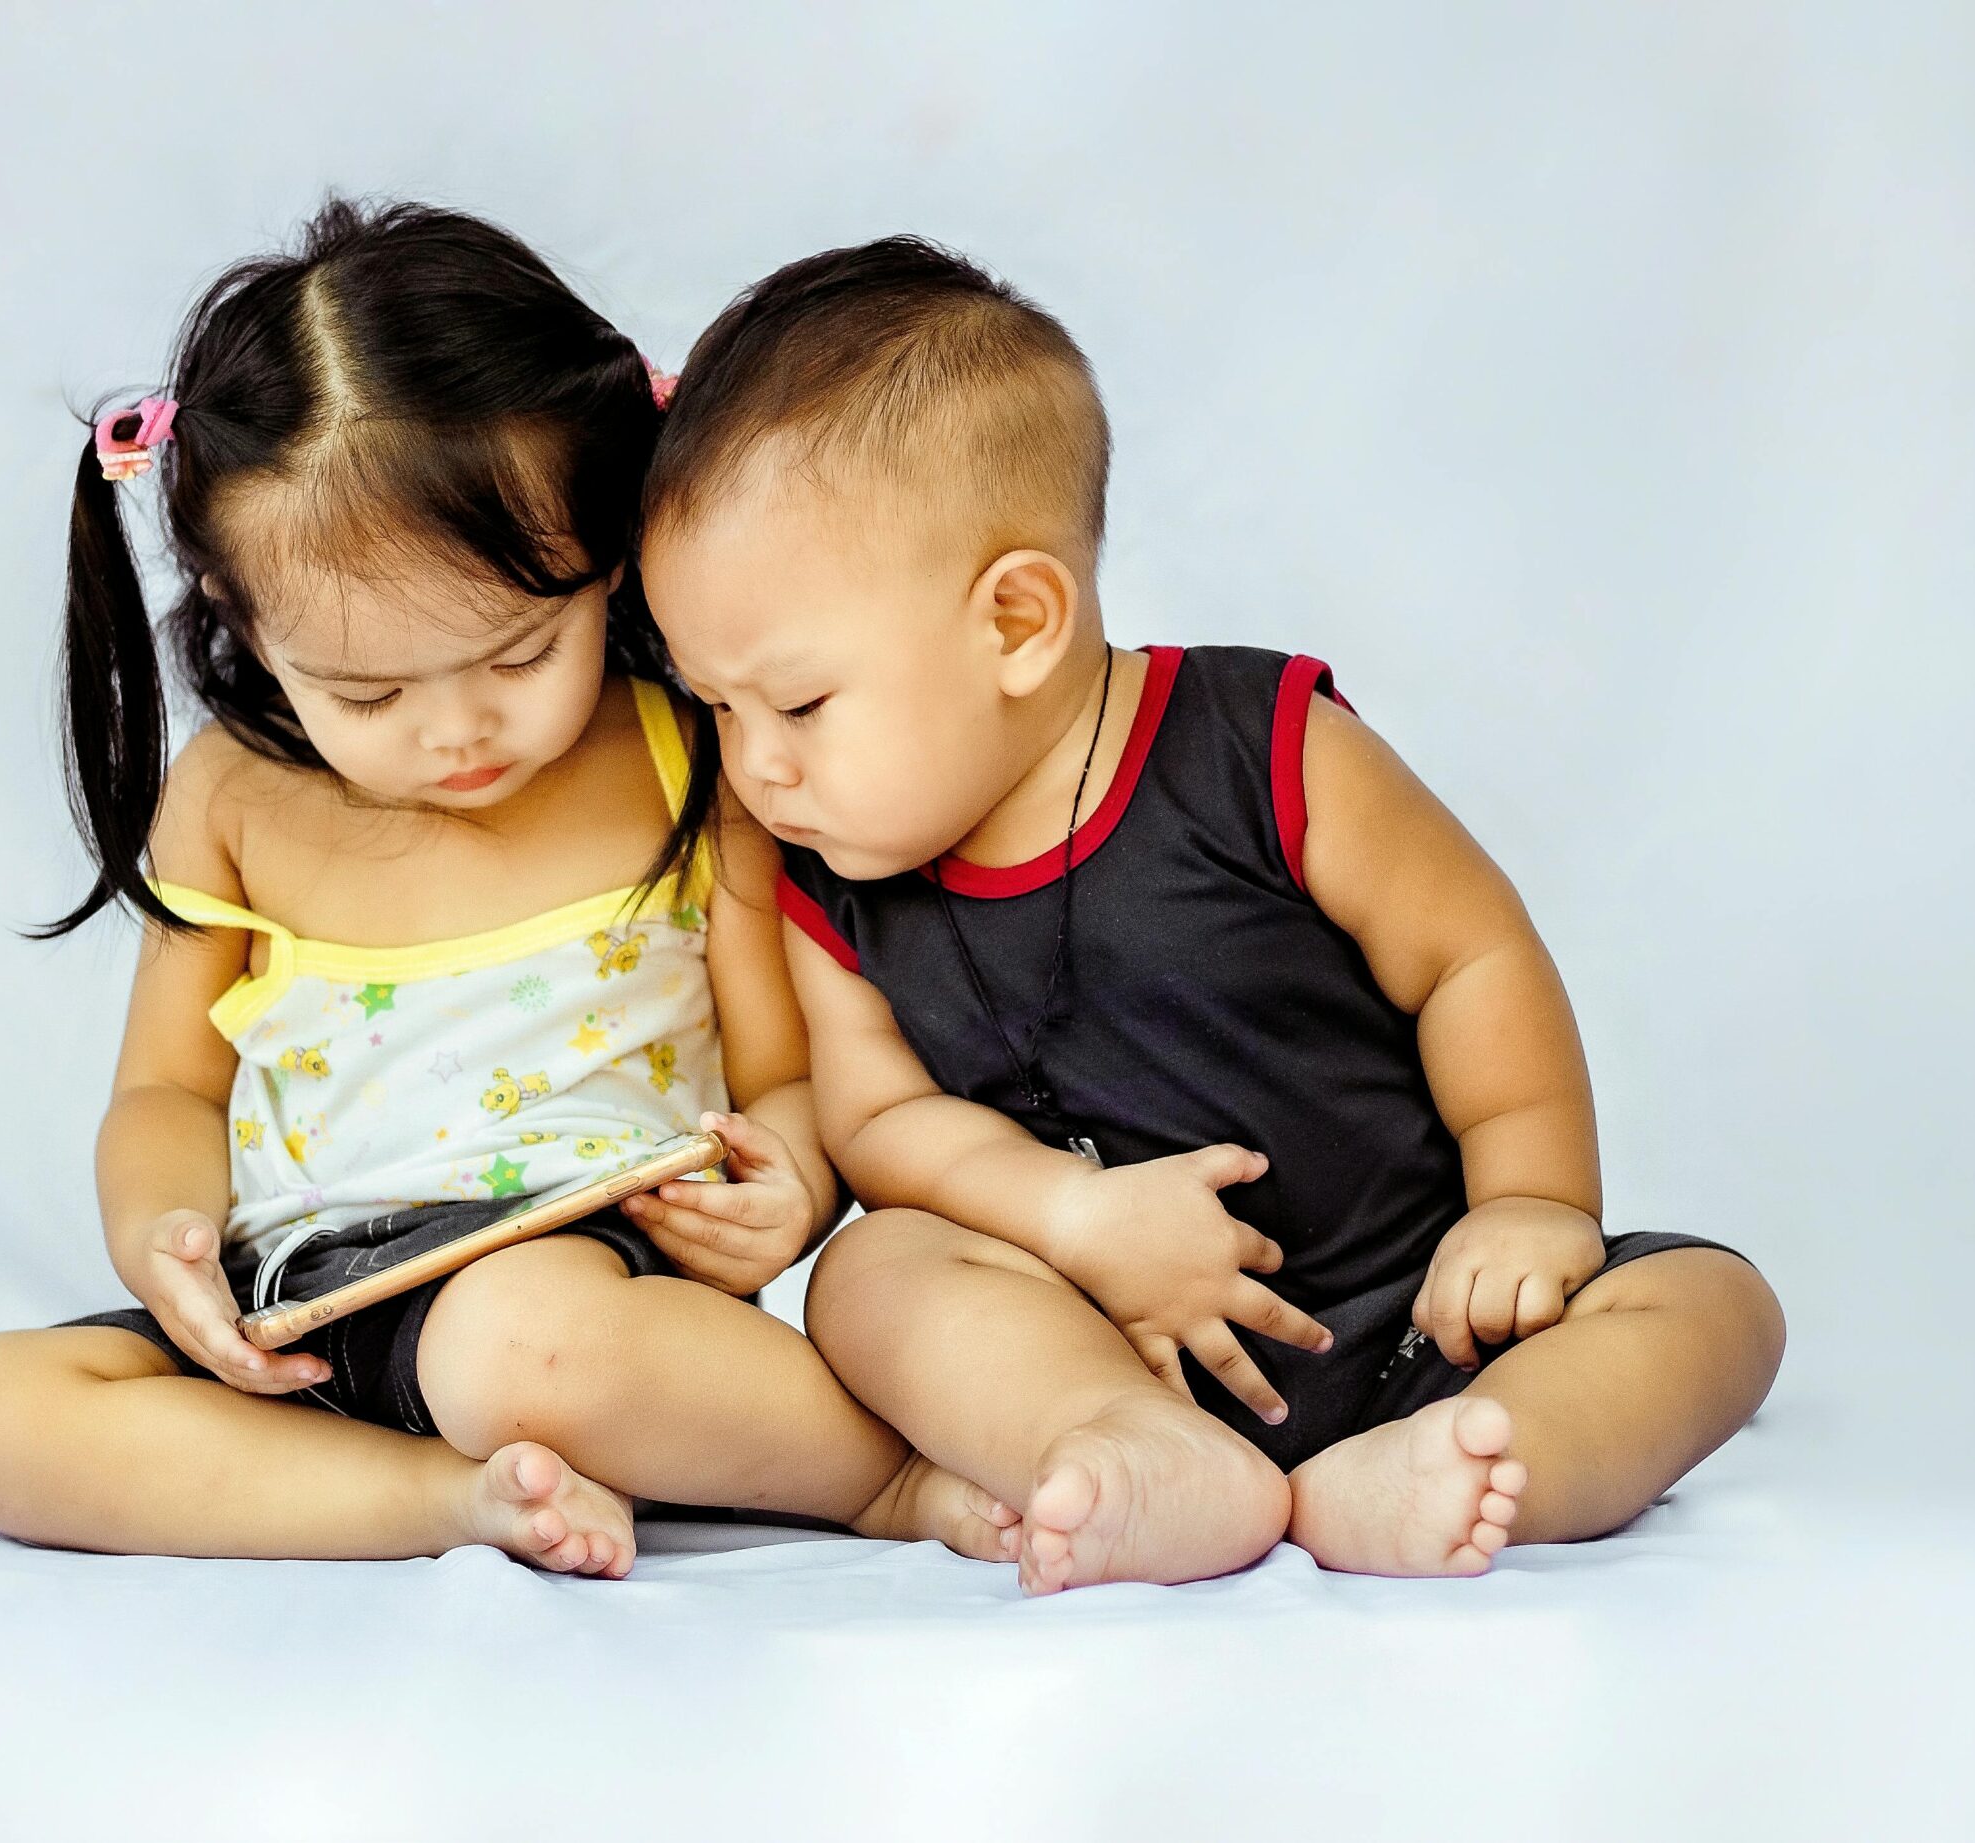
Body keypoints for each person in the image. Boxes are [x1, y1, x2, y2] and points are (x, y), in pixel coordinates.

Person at [631, 236, 1786, 1593]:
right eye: (716, 709)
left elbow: (1470, 958)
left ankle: (1479, 1456)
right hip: (1119, 1338)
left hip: (1432, 1315)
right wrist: (1073, 1220)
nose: (753, 765)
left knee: (1713, 1307)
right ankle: (1123, 1450)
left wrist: (1530, 1202)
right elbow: (881, 1124)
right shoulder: (828, 882)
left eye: (800, 705)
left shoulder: (1265, 750)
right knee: (868, 1275)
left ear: (1015, 624)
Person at [0, 202, 1016, 1572]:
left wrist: (786, 1187)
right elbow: (165, 1095)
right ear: (241, 615)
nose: (458, 734)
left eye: (517, 654)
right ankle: (447, 1503)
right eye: (366, 689)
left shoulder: (685, 757)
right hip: (304, 1307)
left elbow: (787, 1077)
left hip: (570, 1283)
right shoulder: (230, 799)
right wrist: (163, 1238)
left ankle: (878, 1482)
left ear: (605, 554)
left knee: (521, 1347)